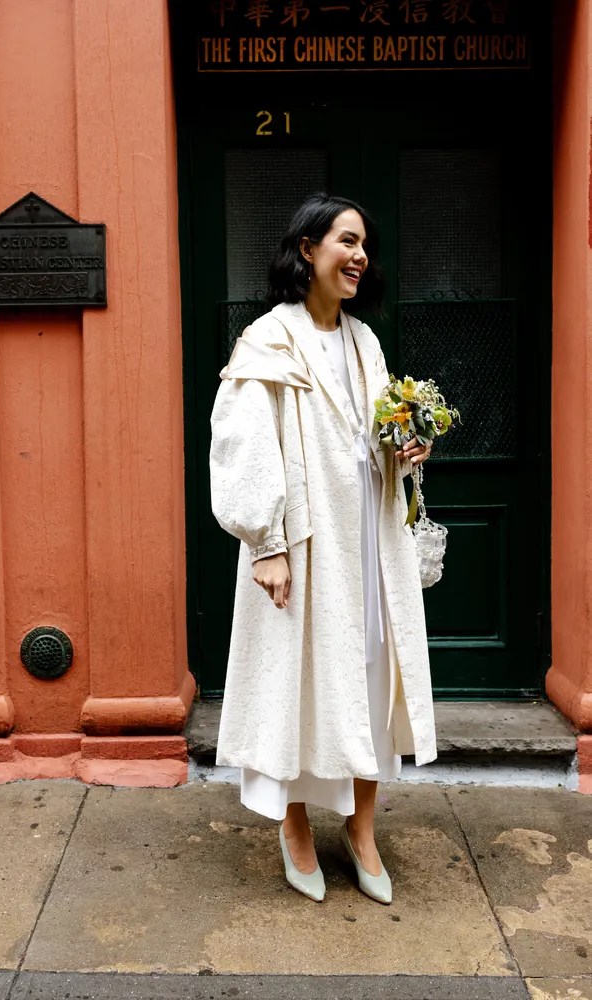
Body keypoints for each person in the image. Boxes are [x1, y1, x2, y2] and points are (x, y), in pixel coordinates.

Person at [209, 193, 436, 904]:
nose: (361, 255)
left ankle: (363, 829)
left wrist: (407, 446)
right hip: (306, 545)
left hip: (369, 545)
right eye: (346, 239)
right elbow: (244, 449)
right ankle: (298, 827)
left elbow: (372, 437)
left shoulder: (365, 341)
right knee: (300, 682)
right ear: (307, 249)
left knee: (372, 670)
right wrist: (266, 544)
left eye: (365, 242)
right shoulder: (267, 342)